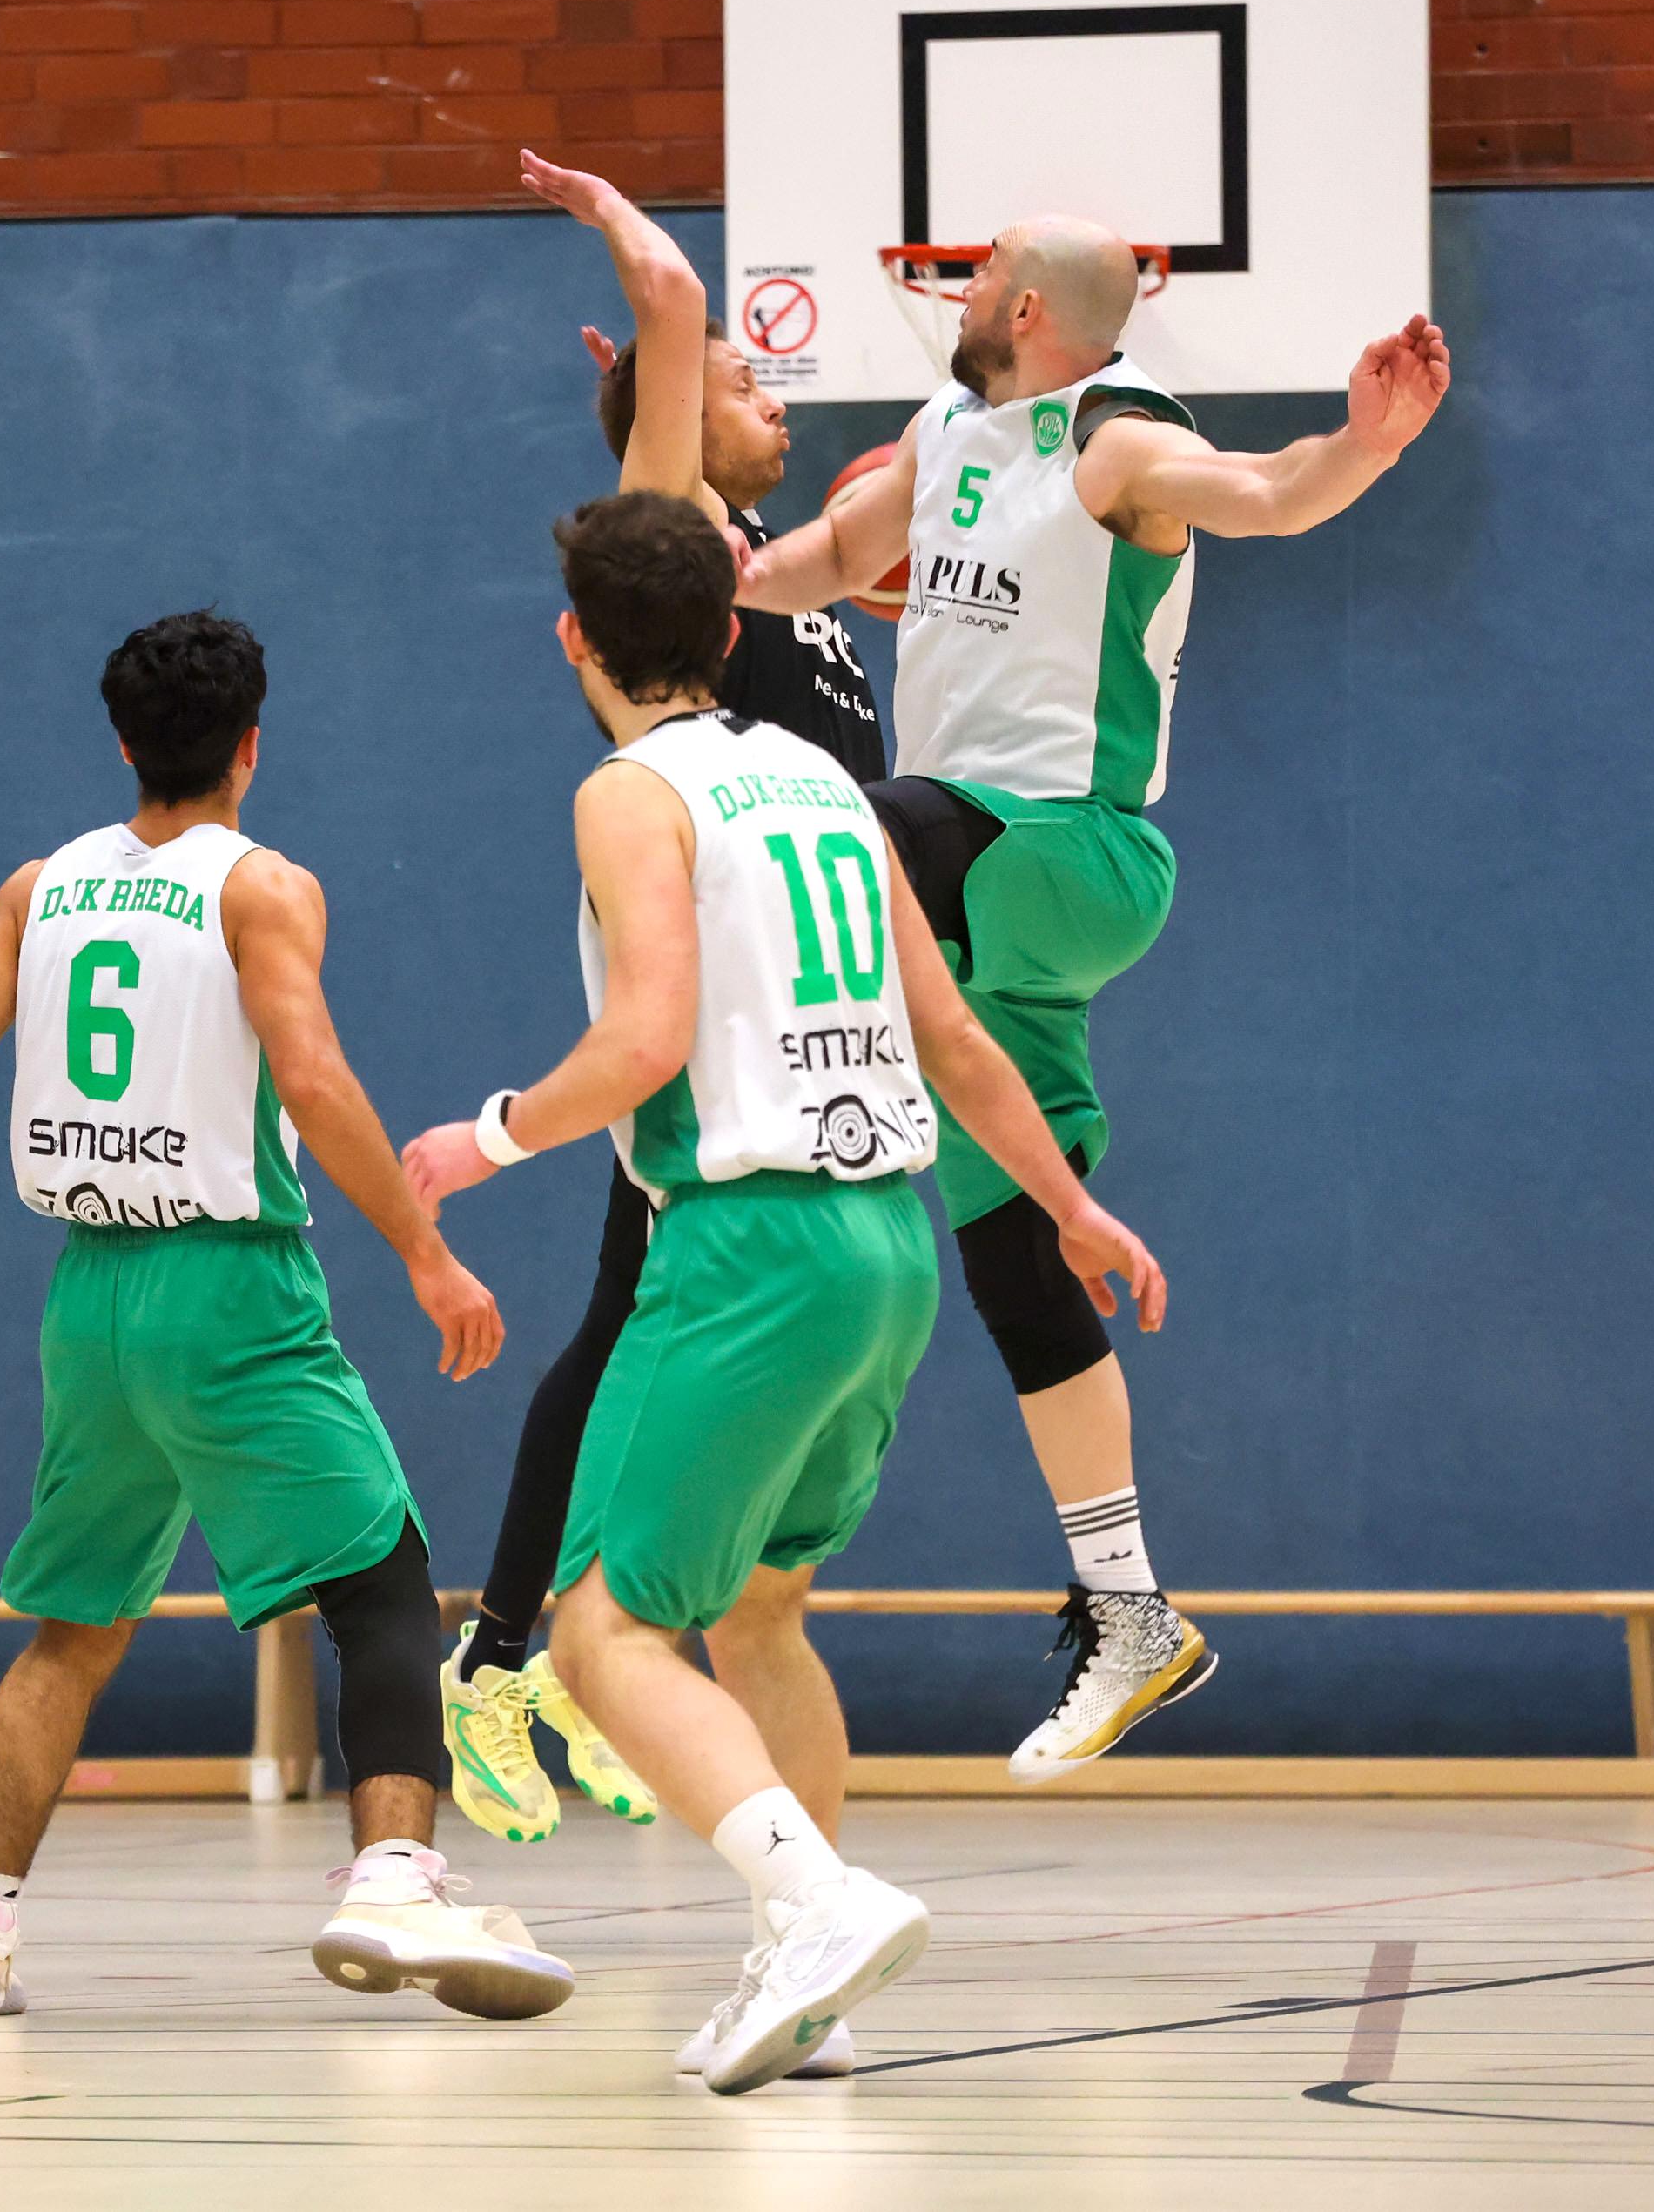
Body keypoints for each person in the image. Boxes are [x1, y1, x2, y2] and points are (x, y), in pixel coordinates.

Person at [400, 492, 1165, 2094]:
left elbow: (645, 1038)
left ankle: (817, 1906)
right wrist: (1069, 1205)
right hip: (889, 1248)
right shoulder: (824, 780)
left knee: (604, 1633)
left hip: (746, 1247)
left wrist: (489, 1135)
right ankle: (806, 1982)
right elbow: (955, 1036)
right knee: (759, 1613)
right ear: (731, 626)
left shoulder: (628, 792)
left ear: (573, 640)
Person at [731, 218, 1449, 1782]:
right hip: (977, 909)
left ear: (1025, 306)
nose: (956, 292)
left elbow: (1269, 493)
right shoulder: (943, 430)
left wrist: (1367, 445)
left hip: (1071, 852)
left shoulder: (1120, 443)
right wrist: (722, 587)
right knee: (1017, 1259)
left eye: (978, 276)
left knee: (844, 824)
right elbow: (827, 564)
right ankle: (1131, 1612)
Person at [0, 609, 567, 2025]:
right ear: (250, 748)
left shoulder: (39, 889)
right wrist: (425, 1252)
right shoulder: (261, 887)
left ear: (122, 745)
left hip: (89, 1298)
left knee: (73, 1629)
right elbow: (316, 1081)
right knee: (381, 1581)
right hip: (228, 1286)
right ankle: (394, 1878)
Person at [426, 151, 897, 1852]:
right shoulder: (679, 549)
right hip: (721, 1030)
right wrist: (618, 233)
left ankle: (552, 1652)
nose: (778, 407)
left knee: (629, 1327)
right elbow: (679, 306)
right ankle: (509, 1657)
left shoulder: (777, 566)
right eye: (749, 389)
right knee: (620, 1318)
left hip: (798, 1010)